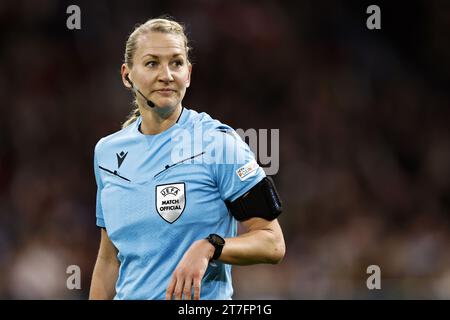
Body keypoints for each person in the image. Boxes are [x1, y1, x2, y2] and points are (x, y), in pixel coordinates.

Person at [89, 17, 285, 300]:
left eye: (177, 63)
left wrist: (211, 247)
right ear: (126, 75)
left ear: (189, 74)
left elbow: (272, 243)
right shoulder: (107, 153)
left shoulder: (218, 144)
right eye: (152, 63)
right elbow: (109, 260)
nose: (166, 74)